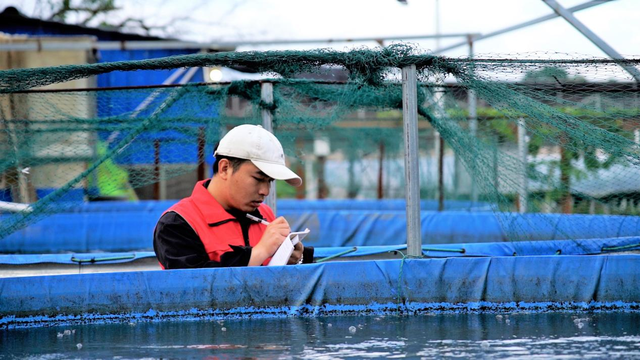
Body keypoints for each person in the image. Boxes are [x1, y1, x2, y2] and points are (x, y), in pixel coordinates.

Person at [153, 124, 314, 269]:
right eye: (258, 179)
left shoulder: (265, 214)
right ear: (224, 168)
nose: (265, 191)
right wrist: (259, 252)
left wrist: (297, 258)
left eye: (270, 181)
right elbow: (191, 287)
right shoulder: (178, 223)